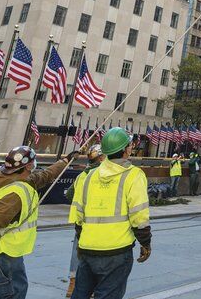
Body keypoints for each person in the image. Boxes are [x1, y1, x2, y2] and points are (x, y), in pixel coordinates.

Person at [0, 146, 77, 299]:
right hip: (3, 253)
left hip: (6, 253)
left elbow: (46, 175)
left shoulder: (20, 180)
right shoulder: (15, 193)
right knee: (14, 293)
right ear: (28, 166)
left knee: (11, 291)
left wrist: (65, 161)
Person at [71, 128, 150, 299]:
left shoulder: (88, 176)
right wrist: (146, 242)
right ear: (125, 150)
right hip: (117, 252)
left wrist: (80, 240)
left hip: (87, 248)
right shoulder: (134, 175)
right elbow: (139, 216)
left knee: (80, 294)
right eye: (129, 145)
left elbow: (78, 214)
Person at [64, 145, 104, 297]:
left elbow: (69, 194)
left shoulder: (82, 175)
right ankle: (91, 286)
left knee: (77, 250)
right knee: (94, 254)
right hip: (95, 219)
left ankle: (72, 284)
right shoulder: (101, 174)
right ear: (100, 158)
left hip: (79, 219)